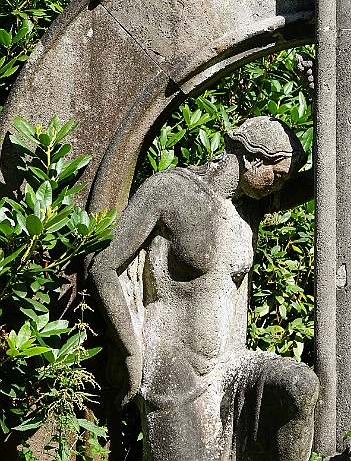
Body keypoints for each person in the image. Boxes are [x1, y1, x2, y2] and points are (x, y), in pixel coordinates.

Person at [90, 116, 319, 461]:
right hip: (173, 368)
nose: (280, 185)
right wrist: (132, 353)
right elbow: (103, 266)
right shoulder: (170, 190)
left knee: (299, 387)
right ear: (252, 158)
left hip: (231, 365)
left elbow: (324, 177)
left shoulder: (251, 204)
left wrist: (323, 95)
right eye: (278, 174)